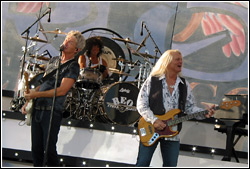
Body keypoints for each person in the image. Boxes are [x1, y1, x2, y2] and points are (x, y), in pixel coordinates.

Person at [136, 49, 215, 167]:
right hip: (151, 129)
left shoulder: (184, 84)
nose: (181, 62)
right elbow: (141, 104)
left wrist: (204, 113)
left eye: (181, 60)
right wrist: (154, 120)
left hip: (173, 134)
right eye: (177, 59)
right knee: (142, 163)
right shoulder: (153, 80)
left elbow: (190, 108)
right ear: (167, 62)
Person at [21, 30, 86, 166]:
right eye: (66, 39)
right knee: (36, 149)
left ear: (77, 50)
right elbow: (43, 84)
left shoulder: (73, 66)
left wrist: (36, 94)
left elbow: (62, 91)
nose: (66, 42)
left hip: (51, 111)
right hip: (38, 108)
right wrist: (28, 100)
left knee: (49, 149)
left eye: (70, 42)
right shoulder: (54, 61)